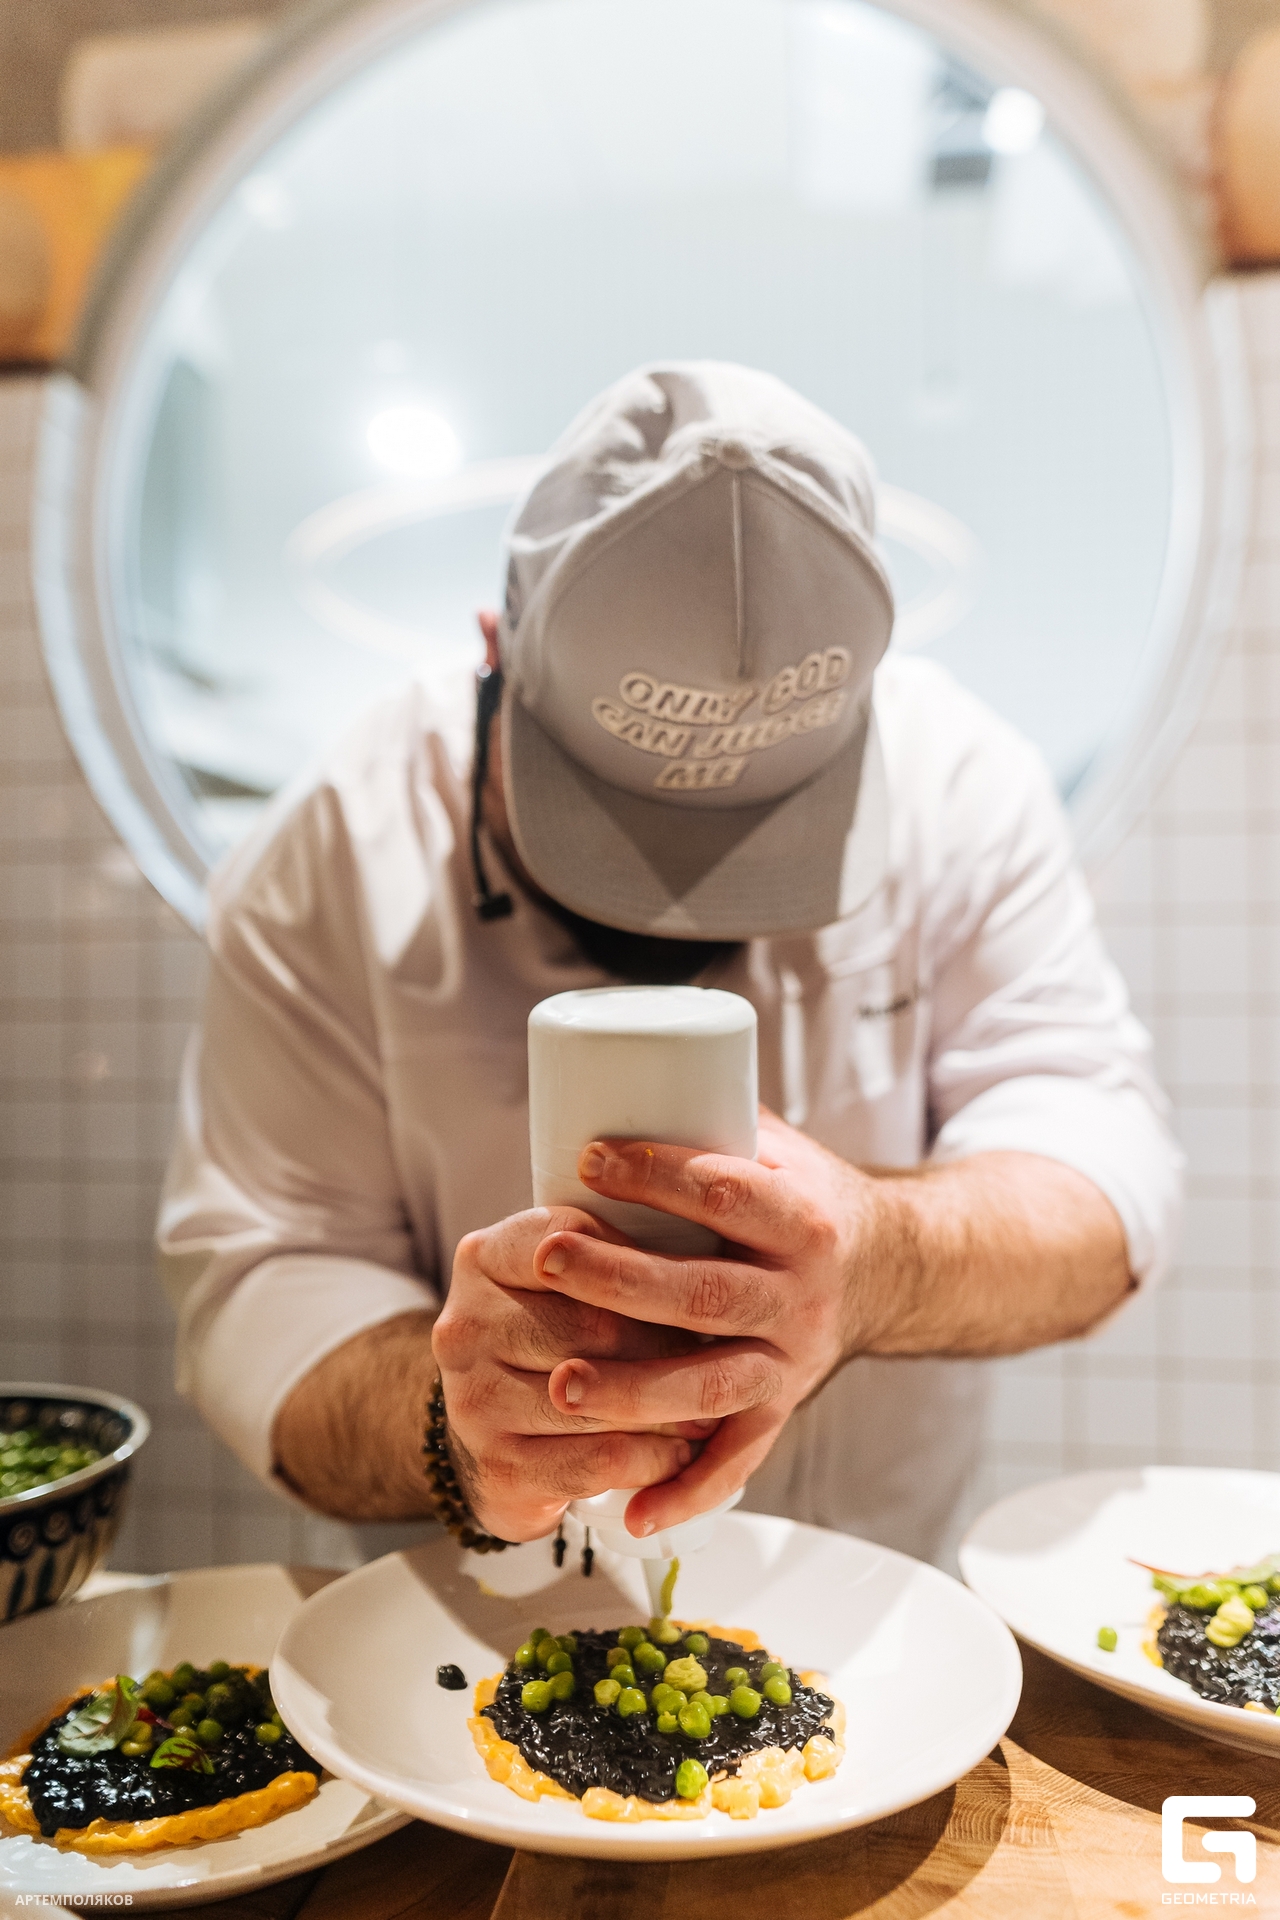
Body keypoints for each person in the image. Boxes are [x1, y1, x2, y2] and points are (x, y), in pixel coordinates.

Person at [157, 362, 1182, 1566]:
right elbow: (268, 1276)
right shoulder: (336, 843)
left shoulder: (957, 785)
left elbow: (1096, 1168)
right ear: (493, 654)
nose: (675, 911)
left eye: (754, 845)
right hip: (462, 1620)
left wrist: (878, 1260)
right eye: (612, 830)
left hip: (864, 1589)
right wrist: (459, 1420)